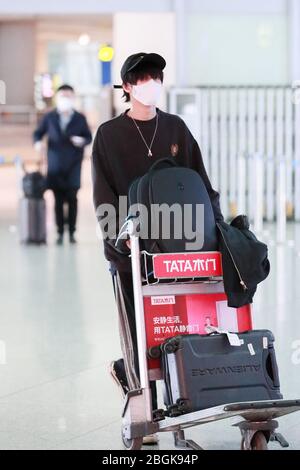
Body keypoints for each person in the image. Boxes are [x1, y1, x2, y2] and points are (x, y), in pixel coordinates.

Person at [91, 53, 224, 445]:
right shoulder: (109, 135)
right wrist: (119, 238)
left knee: (179, 325)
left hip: (181, 249)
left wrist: (217, 227)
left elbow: (201, 183)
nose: (152, 83)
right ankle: (142, 407)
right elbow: (104, 195)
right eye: (143, 78)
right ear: (128, 87)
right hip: (131, 252)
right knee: (139, 327)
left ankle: (174, 394)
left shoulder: (177, 129)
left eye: (157, 76)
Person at [33, 84, 92, 244]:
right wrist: (38, 142)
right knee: (58, 199)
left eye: (68, 96)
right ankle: (60, 232)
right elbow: (38, 133)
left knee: (72, 198)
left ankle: (72, 232)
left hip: (73, 164)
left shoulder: (80, 118)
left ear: (73, 98)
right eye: (62, 96)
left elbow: (88, 137)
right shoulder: (50, 117)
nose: (65, 99)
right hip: (55, 164)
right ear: (57, 98)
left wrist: (82, 141)